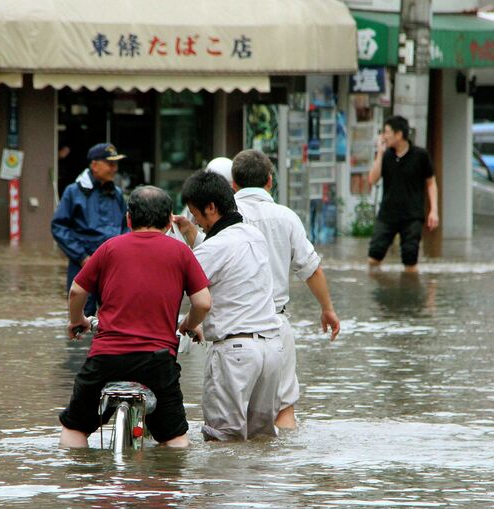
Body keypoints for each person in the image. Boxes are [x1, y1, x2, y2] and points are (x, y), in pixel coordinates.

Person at [59, 185, 212, 448]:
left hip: (106, 359)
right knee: (175, 439)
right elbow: (203, 303)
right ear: (168, 222)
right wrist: (189, 324)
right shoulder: (181, 252)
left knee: (75, 429)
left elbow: (76, 291)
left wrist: (77, 321)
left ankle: (80, 484)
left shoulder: (109, 248)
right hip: (157, 362)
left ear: (129, 219)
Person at [231, 149, 340, 429]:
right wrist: (327, 309)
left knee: (231, 419)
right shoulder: (286, 217)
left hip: (232, 328)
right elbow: (311, 269)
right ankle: (281, 470)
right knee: (284, 412)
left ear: (233, 183)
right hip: (276, 324)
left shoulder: (224, 216)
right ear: (270, 181)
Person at [180, 170, 283, 441]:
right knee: (262, 439)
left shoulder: (211, 250)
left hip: (235, 352)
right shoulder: (254, 235)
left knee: (222, 441)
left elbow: (186, 292)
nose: (195, 221)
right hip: (271, 349)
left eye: (195, 214)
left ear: (211, 208)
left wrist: (189, 324)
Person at [51, 143, 129, 317]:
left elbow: (126, 226)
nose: (114, 169)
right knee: (81, 315)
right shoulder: (73, 192)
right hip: (83, 263)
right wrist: (82, 257)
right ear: (94, 165)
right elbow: (59, 227)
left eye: (116, 164)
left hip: (112, 265)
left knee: (115, 313)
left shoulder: (116, 194)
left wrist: (123, 255)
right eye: (110, 164)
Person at [367, 115, 439, 273]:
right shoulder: (386, 156)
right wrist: (379, 152)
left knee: (410, 259)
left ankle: (410, 293)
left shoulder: (420, 155)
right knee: (374, 256)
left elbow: (431, 182)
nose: (384, 136)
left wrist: (434, 210)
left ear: (399, 134)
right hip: (387, 215)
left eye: (387, 132)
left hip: (412, 215)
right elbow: (372, 179)